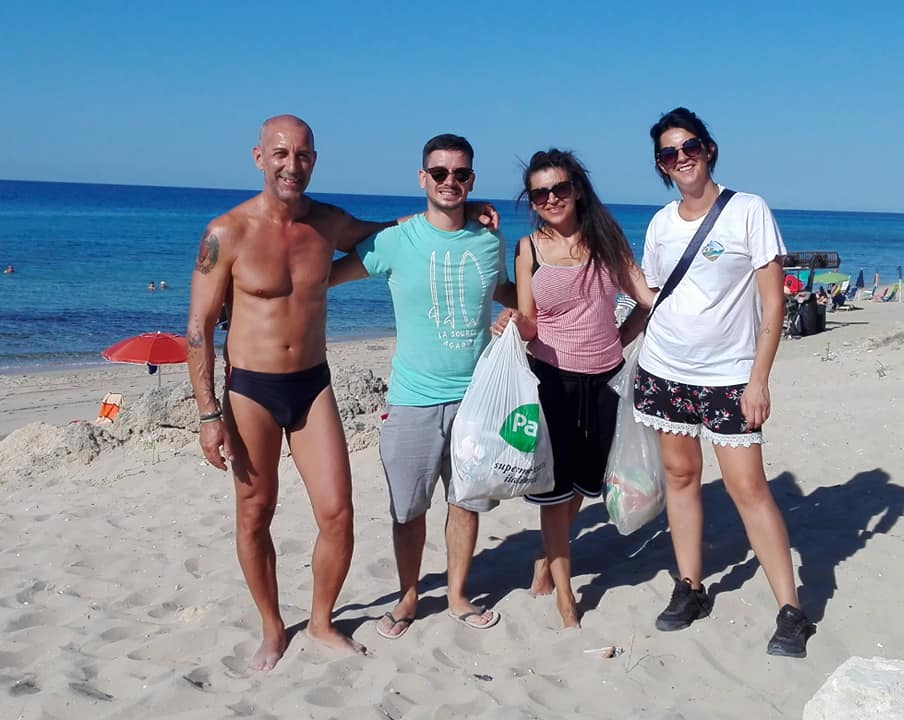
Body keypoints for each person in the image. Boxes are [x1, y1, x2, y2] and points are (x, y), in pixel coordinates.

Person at [186, 114, 410, 670]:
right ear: (259, 158)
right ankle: (271, 627)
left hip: (312, 384)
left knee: (338, 513)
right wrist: (208, 416)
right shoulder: (226, 232)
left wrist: (457, 212)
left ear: (315, 160)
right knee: (254, 512)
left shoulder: (328, 223)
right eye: (281, 153)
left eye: (303, 154)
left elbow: (390, 232)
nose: (293, 165)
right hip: (250, 390)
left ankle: (321, 621)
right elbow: (198, 329)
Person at [634, 107, 815, 657]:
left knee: (748, 488)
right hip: (664, 368)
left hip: (729, 378)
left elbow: (773, 303)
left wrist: (759, 380)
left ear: (708, 149)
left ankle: (791, 610)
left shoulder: (748, 210)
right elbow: (654, 297)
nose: (681, 158)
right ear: (661, 165)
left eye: (690, 146)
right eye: (669, 153)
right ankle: (690, 587)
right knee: (680, 477)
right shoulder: (661, 223)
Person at [329, 133, 516, 640]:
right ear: (422, 178)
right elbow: (322, 277)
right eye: (439, 173)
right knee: (408, 509)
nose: (449, 181)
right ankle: (408, 596)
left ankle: (457, 595)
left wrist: (524, 311)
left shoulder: (489, 240)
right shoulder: (396, 241)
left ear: (472, 179)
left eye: (460, 174)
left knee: (466, 502)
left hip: (477, 399)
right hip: (412, 400)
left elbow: (502, 289)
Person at [492, 149, 653, 628]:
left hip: (605, 379)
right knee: (555, 488)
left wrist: (621, 338)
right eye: (540, 193)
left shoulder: (606, 239)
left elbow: (645, 299)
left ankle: (548, 557)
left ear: (577, 189)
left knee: (585, 481)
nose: (551, 199)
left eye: (559, 188)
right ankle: (566, 597)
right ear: (531, 201)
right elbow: (530, 321)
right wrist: (510, 322)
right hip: (551, 381)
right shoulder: (528, 249)